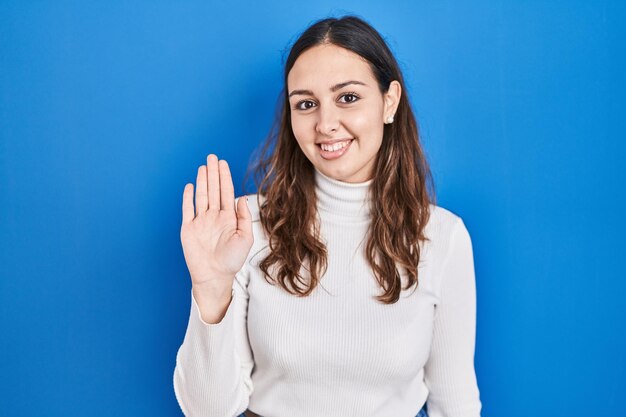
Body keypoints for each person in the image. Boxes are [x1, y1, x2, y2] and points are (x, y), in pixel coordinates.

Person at [173, 15, 482, 417]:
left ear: (390, 102)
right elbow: (207, 410)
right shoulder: (243, 228)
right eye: (306, 104)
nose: (326, 124)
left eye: (348, 97)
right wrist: (212, 288)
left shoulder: (443, 237)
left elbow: (455, 403)